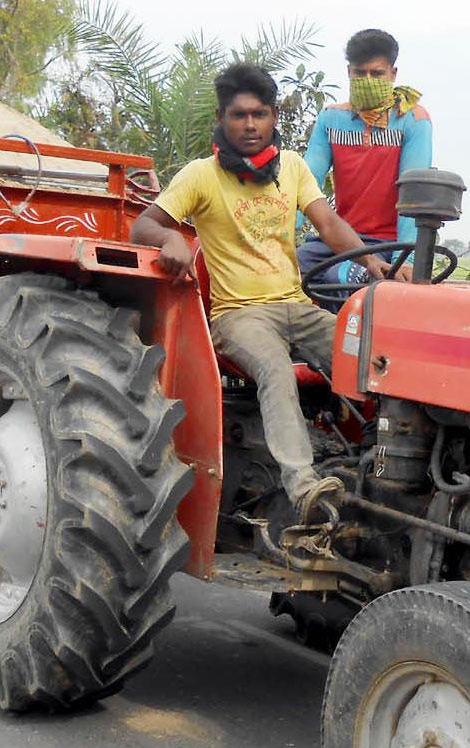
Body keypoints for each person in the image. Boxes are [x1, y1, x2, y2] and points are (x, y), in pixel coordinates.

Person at [131, 63, 396, 522]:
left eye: (258, 114)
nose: (249, 125)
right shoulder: (201, 175)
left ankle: (387, 465)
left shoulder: (290, 168)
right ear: (222, 118)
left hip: (295, 304)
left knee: (370, 358)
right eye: (238, 115)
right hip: (239, 316)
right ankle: (304, 487)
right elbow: (144, 224)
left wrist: (372, 262)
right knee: (276, 370)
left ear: (273, 116)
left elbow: (327, 223)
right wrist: (172, 238)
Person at [297, 28, 431, 290]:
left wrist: (408, 258)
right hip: (338, 239)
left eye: (377, 73)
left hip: (386, 243)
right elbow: (305, 181)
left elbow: (412, 193)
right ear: (349, 72)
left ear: (393, 74)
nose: (367, 79)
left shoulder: (413, 120)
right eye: (360, 73)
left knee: (341, 279)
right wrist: (281, 235)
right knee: (286, 271)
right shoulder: (330, 119)